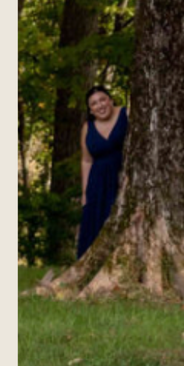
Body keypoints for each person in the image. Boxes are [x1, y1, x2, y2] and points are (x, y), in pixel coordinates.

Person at [76, 85, 128, 257]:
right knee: (93, 227)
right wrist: (85, 192)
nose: (100, 105)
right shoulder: (88, 127)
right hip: (96, 183)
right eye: (94, 104)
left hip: (121, 179)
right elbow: (86, 160)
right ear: (90, 110)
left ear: (111, 99)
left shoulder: (126, 114)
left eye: (103, 99)